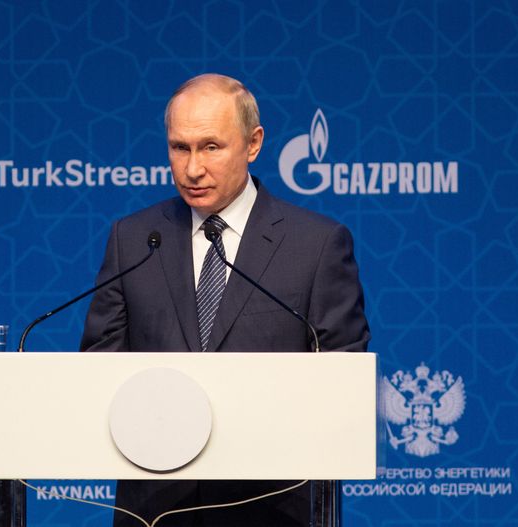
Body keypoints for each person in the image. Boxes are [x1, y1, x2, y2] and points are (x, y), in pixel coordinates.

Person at [80, 73, 370, 527]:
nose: (193, 168)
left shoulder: (316, 245)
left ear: (253, 144)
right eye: (180, 148)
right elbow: (100, 368)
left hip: (270, 510)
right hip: (155, 509)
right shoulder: (134, 239)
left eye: (211, 147)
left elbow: (342, 381)